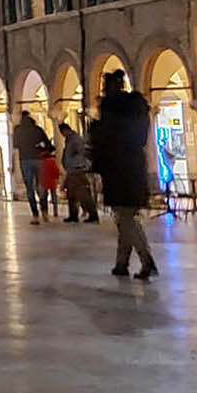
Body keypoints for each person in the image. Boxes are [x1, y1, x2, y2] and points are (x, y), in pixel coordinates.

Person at [92, 70, 157, 279]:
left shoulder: (111, 111)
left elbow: (104, 141)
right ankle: (121, 263)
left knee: (126, 218)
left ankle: (146, 261)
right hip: (135, 167)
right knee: (124, 218)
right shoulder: (136, 109)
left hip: (118, 170)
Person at [13, 112, 54, 224]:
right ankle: (44, 212)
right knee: (41, 186)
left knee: (29, 188)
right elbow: (47, 144)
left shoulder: (18, 130)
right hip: (38, 159)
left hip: (25, 160)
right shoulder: (37, 130)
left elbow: (15, 145)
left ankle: (35, 215)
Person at [57, 119, 98, 223]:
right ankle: (73, 215)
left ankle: (93, 214)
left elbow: (82, 153)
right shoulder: (70, 140)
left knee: (82, 193)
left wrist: (77, 163)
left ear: (65, 130)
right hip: (71, 170)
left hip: (77, 170)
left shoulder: (76, 140)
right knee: (71, 194)